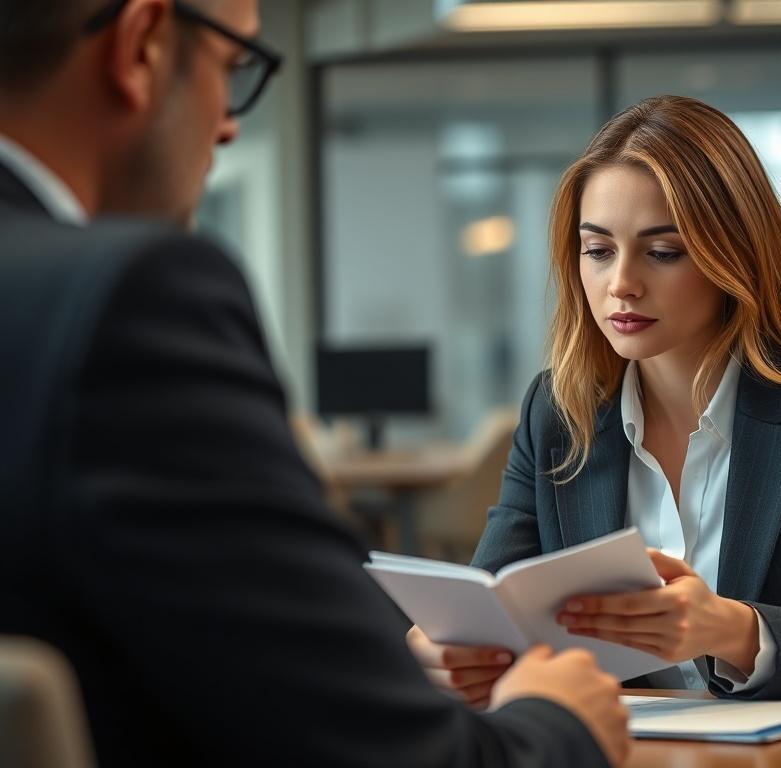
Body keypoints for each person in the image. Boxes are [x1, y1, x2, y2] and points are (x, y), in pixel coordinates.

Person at [0, 1, 631, 766]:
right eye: (233, 69)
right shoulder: (120, 299)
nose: (228, 127)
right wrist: (559, 723)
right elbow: (387, 753)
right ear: (140, 45)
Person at [409, 95, 781, 703]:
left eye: (663, 252)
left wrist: (732, 630)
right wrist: (443, 652)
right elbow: (486, 605)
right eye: (598, 250)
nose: (622, 284)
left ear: (733, 254)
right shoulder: (558, 411)